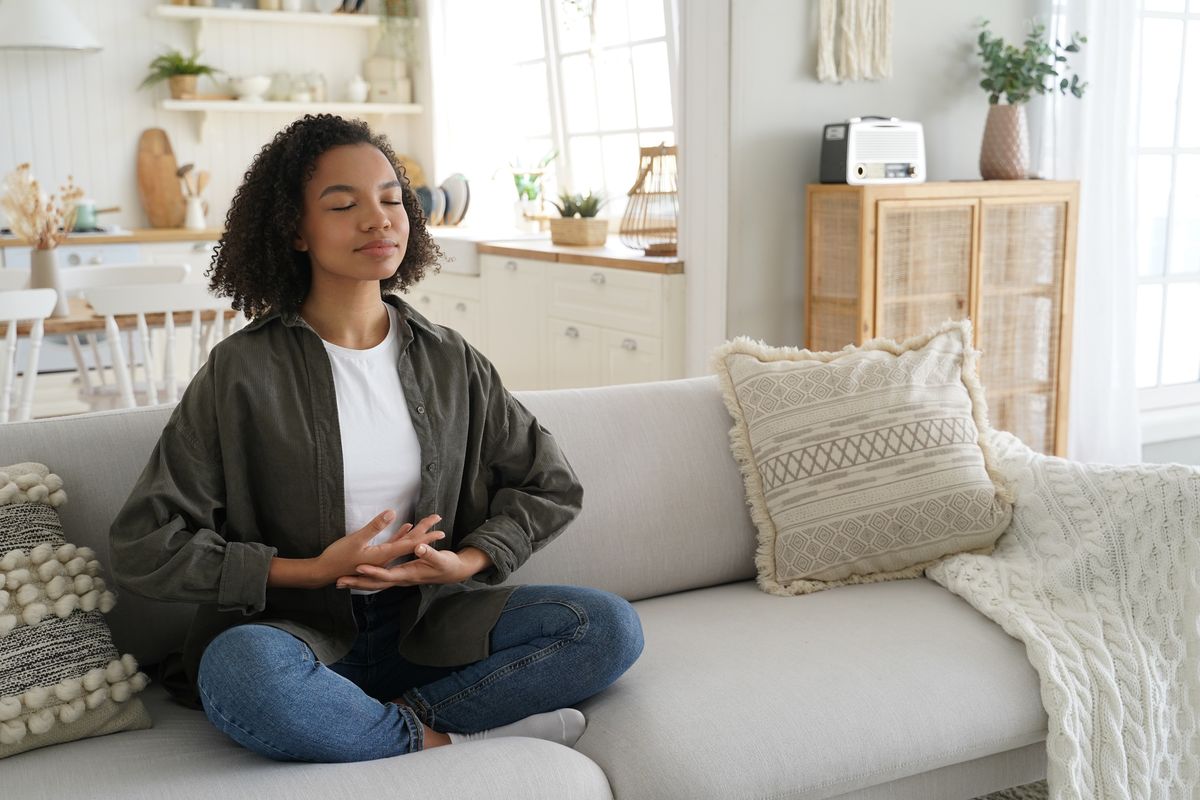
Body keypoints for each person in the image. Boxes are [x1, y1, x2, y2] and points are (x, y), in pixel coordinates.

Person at [108, 114, 644, 762]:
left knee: (607, 628)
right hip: (296, 636)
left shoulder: (451, 360)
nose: (379, 219)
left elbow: (549, 482)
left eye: (393, 199)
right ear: (296, 230)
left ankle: (389, 728)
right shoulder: (242, 372)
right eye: (344, 204)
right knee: (241, 671)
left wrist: (467, 561)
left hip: (427, 627)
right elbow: (145, 542)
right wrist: (312, 571)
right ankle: (447, 737)